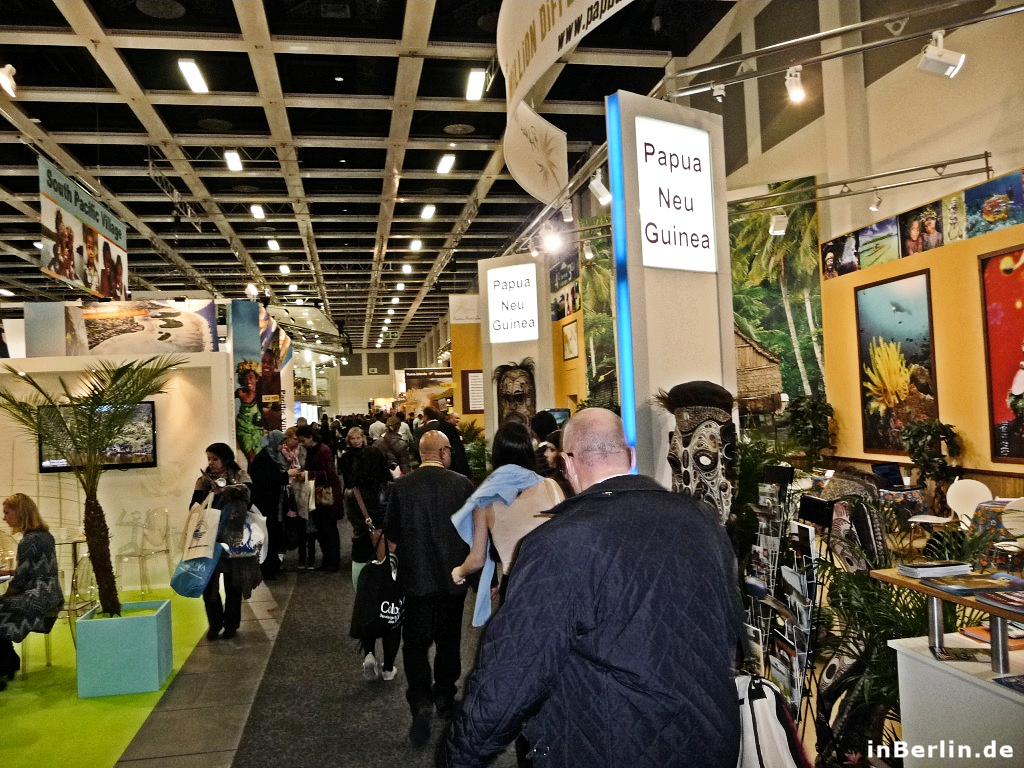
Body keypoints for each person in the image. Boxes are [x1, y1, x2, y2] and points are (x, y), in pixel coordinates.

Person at [444, 408, 744, 768]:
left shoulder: (557, 544)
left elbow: (510, 678)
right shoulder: (703, 521)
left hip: (613, 744)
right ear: (631, 456)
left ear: (568, 464)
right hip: (710, 737)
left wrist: (459, 757)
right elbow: (729, 627)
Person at [383, 430, 473, 747]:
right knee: (448, 642)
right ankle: (445, 696)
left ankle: (420, 701)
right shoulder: (461, 485)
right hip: (452, 581)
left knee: (415, 646)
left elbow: (392, 534)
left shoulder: (401, 487)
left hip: (416, 582)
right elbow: (472, 534)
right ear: (444, 452)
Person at [450, 421, 564, 626]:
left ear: (497, 454)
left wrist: (459, 572)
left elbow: (477, 559)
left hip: (514, 585)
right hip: (552, 580)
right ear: (528, 451)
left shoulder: (484, 501)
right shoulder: (551, 486)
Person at [192, 443, 257, 641]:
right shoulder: (204, 480)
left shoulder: (240, 476)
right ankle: (214, 624)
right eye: (209, 459)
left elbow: (249, 498)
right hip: (209, 537)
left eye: (215, 459)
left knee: (233, 584)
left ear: (225, 459)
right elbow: (194, 505)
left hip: (234, 536)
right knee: (208, 584)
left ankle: (231, 624)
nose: (211, 463)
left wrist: (225, 491)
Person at [0, 494, 64, 687]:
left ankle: (5, 664)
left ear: (20, 512)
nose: (4, 518)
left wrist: (6, 595)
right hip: (52, 596)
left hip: (36, 600)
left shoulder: (28, 541)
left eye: (7, 513)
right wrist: (12, 573)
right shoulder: (45, 536)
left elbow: (20, 581)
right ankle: (8, 662)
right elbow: (36, 570)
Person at [293, 424, 343, 572]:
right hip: (318, 495)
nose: (301, 444)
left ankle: (332, 562)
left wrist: (307, 474)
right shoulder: (313, 450)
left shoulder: (323, 450)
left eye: (303, 440)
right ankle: (328, 561)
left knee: (329, 530)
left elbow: (328, 474)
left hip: (327, 496)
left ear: (311, 437)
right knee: (322, 531)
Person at [249, 430, 291, 580]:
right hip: (265, 504)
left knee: (274, 534)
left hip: (272, 503)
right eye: (280, 443)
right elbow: (268, 480)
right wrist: (287, 475)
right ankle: (267, 568)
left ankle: (273, 565)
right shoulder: (263, 459)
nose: (281, 446)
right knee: (268, 535)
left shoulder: (270, 456)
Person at [419, 405, 470, 479]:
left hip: (427, 471)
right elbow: (459, 450)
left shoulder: (421, 430)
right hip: (453, 469)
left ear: (425, 416)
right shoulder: (449, 427)